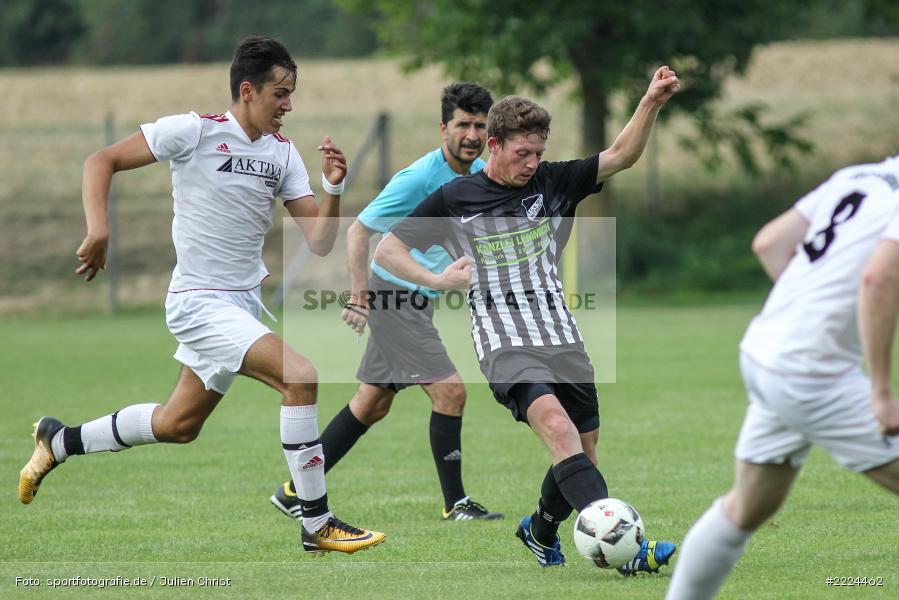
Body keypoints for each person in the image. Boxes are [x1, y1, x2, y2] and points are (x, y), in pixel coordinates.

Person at [18, 36, 385, 555]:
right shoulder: (194, 131)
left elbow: (320, 240)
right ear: (247, 90)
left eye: (292, 94)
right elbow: (99, 161)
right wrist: (98, 230)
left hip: (240, 305)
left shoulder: (283, 154)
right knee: (300, 375)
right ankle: (316, 523)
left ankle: (59, 441)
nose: (288, 105)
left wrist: (334, 187)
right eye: (280, 93)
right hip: (197, 302)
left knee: (178, 424)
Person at [374, 67, 680, 572]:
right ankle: (626, 548)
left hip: (561, 336)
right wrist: (439, 281)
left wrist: (650, 100)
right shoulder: (456, 199)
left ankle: (539, 529)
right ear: (493, 145)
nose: (533, 163)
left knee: (582, 453)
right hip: (503, 342)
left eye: (539, 152)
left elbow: (622, 155)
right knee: (557, 429)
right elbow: (388, 249)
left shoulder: (553, 181)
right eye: (523, 153)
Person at [665, 160, 899, 599]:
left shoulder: (860, 176)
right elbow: (878, 278)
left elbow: (769, 244)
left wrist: (806, 318)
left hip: (765, 351)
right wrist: (881, 394)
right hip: (812, 372)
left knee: (747, 508)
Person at [270, 82, 503, 522]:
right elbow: (360, 231)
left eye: (478, 125)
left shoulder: (482, 173)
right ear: (443, 128)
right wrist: (360, 298)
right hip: (395, 298)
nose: (471, 135)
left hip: (420, 299)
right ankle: (456, 504)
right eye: (462, 125)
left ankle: (291, 492)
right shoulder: (419, 178)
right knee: (450, 392)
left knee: (371, 403)